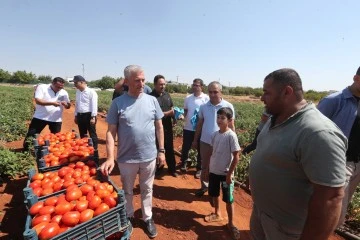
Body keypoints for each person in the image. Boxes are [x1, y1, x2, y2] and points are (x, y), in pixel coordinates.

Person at [249, 68, 347, 240]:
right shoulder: (275, 118)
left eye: (267, 93)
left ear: (287, 92)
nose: (262, 98)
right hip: (261, 213)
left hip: (287, 229)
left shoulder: (318, 133)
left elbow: (331, 198)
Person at [100, 65, 165, 239]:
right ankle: (129, 215)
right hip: (126, 158)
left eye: (143, 80)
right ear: (127, 82)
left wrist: (162, 151)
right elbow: (110, 132)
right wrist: (110, 157)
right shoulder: (118, 103)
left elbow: (159, 127)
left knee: (147, 189)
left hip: (149, 156)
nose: (141, 83)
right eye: (137, 80)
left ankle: (147, 217)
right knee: (127, 190)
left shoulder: (152, 101)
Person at [317, 66, 360, 228]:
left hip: (357, 163)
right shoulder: (334, 101)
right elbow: (313, 131)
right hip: (339, 162)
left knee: (340, 207)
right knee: (334, 210)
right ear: (356, 78)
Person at [192, 81, 235, 197]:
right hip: (206, 142)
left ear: (221, 92)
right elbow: (200, 124)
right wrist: (195, 140)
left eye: (215, 92)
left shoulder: (228, 106)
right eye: (210, 92)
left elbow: (231, 125)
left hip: (223, 142)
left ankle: (219, 190)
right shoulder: (203, 107)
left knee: (220, 166)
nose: (212, 94)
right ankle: (205, 187)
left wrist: (233, 141)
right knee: (205, 166)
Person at [204, 107, 241, 240]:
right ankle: (217, 213)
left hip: (225, 173)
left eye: (222, 118)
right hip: (214, 171)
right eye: (218, 117)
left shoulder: (231, 135)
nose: (219, 120)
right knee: (214, 193)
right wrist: (208, 169)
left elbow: (236, 156)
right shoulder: (215, 134)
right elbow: (212, 153)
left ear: (230, 120)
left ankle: (231, 223)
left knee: (228, 199)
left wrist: (229, 174)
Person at [23, 77, 71, 150]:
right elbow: (38, 100)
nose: (59, 89)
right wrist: (52, 103)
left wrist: (66, 105)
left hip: (56, 119)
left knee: (56, 138)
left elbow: (68, 105)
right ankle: (26, 150)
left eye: (61, 87)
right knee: (31, 135)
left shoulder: (64, 92)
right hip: (40, 117)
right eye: (58, 87)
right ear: (53, 83)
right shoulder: (42, 87)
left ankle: (53, 152)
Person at [180, 78, 209, 178]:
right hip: (188, 127)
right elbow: (186, 111)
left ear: (202, 87)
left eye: (198, 85)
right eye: (194, 85)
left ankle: (199, 169)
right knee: (186, 147)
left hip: (201, 128)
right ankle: (183, 163)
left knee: (200, 149)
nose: (195, 87)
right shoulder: (188, 98)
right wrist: (182, 116)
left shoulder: (206, 98)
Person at [150, 75, 178, 177]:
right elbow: (151, 114)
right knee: (156, 148)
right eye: (160, 84)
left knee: (169, 147)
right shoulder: (150, 97)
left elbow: (172, 107)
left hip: (167, 126)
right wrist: (167, 113)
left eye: (164, 84)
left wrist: (174, 118)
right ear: (155, 85)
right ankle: (158, 169)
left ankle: (172, 169)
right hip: (155, 128)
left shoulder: (167, 95)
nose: (163, 86)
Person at [72, 75, 99, 157]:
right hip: (80, 115)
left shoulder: (91, 92)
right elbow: (77, 104)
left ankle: (94, 150)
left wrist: (93, 117)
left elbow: (94, 105)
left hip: (89, 115)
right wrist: (76, 115)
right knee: (82, 133)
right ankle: (84, 151)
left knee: (92, 133)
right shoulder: (78, 92)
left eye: (75, 82)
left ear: (82, 82)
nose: (74, 84)